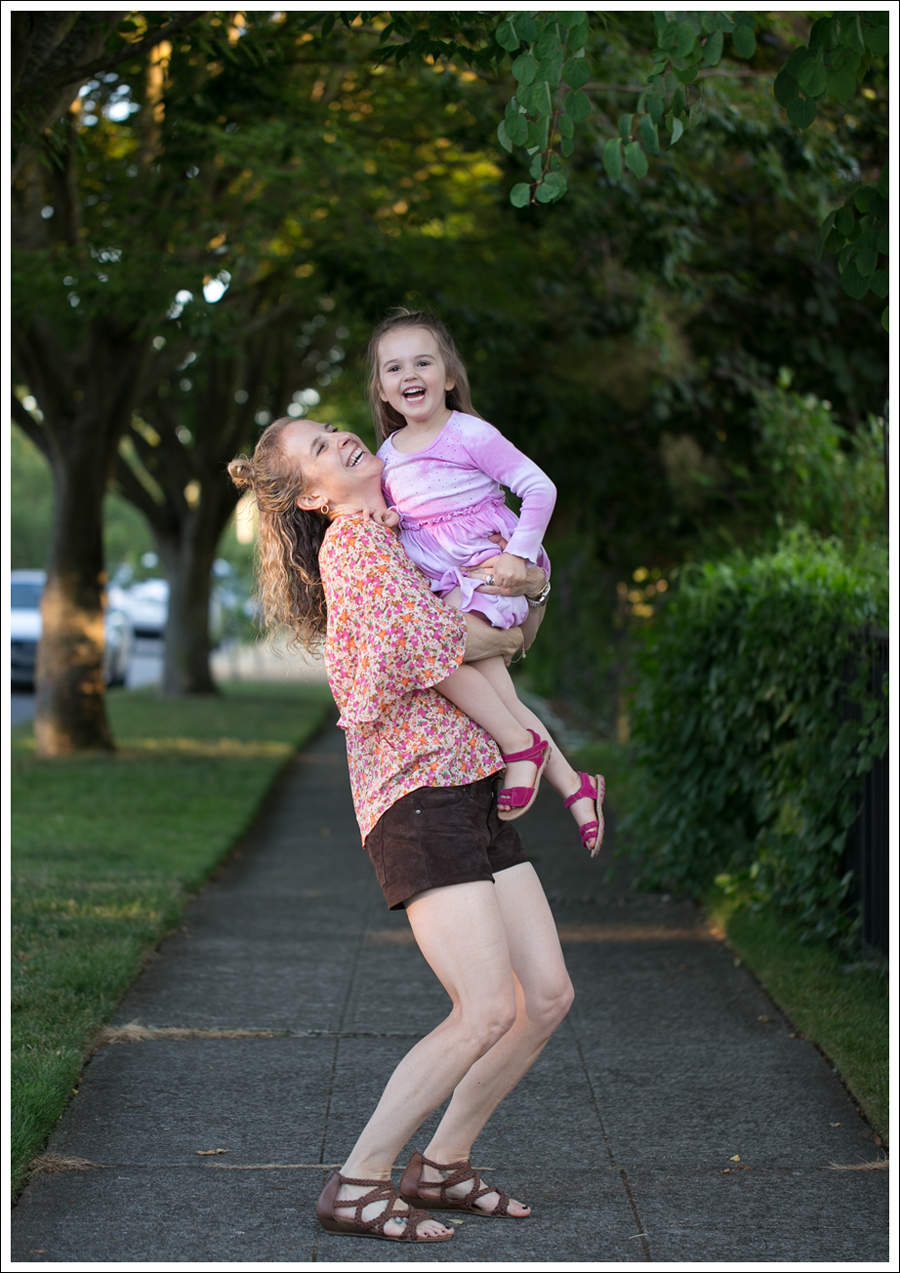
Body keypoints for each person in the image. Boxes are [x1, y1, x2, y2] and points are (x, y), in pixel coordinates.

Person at [228, 416, 591, 1244]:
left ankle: (443, 1164)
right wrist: (508, 613)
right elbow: (438, 641)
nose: (341, 438)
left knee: (545, 996)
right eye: (317, 449)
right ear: (312, 496)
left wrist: (518, 598)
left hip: (472, 784)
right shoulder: (352, 549)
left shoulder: (408, 530)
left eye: (331, 427)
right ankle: (357, 1181)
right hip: (417, 798)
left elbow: (505, 620)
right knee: (483, 1008)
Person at [368, 307, 604, 854]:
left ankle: (523, 751)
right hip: (452, 582)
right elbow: (404, 518)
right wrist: (387, 519)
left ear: (449, 376)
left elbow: (539, 487)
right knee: (498, 691)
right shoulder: (385, 457)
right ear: (381, 388)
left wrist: (519, 557)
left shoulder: (468, 433)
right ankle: (574, 785)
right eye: (394, 368)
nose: (410, 376)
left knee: (444, 655)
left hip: (490, 572)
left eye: (423, 362)